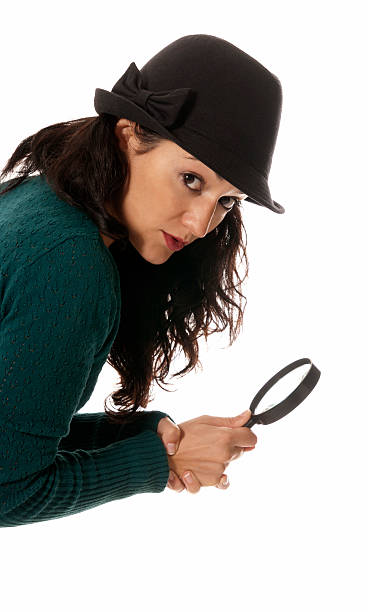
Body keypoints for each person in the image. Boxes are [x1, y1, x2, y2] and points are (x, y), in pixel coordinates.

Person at [0, 34, 284, 527]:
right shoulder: (71, 265)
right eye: (191, 179)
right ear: (129, 134)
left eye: (226, 201)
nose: (200, 225)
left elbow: (13, 431)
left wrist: (144, 439)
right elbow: (9, 490)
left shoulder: (36, 199)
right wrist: (161, 463)